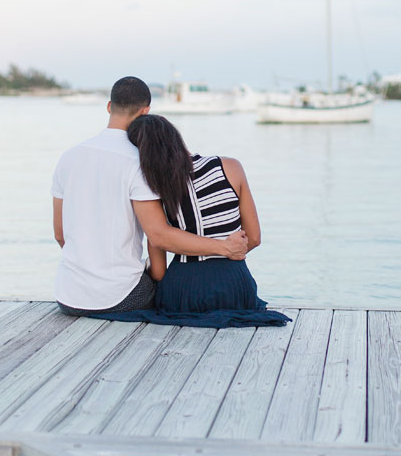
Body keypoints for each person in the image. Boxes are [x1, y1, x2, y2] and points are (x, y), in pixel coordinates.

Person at [51, 76, 249, 317]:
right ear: (146, 112)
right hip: (118, 298)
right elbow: (158, 235)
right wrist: (225, 248)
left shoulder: (68, 158)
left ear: (109, 106)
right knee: (161, 283)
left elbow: (60, 235)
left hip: (68, 296)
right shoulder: (140, 163)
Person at [97, 114, 290, 328]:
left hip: (184, 291)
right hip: (235, 285)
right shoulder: (230, 167)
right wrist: (227, 250)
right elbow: (253, 238)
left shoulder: (153, 191)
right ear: (175, 138)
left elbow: (159, 271)